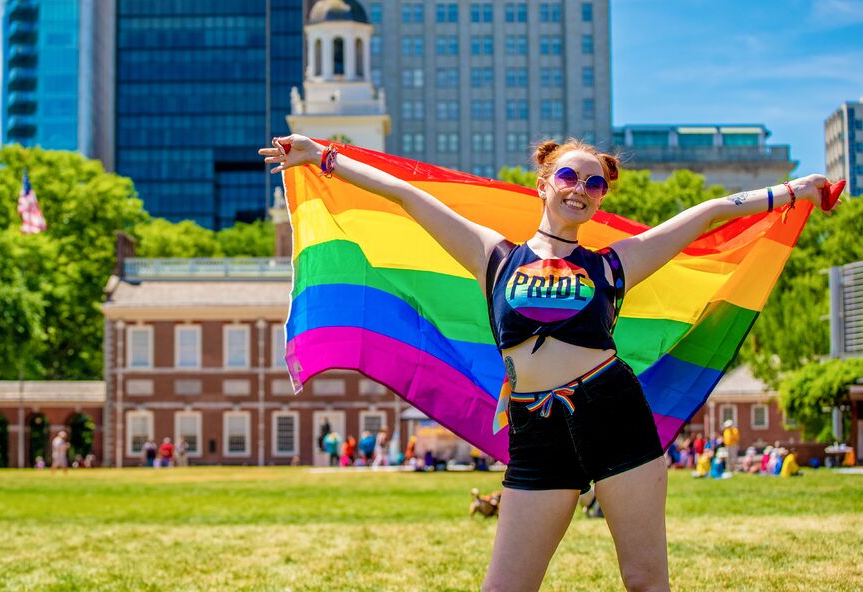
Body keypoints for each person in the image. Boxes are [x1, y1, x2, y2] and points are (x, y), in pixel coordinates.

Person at [261, 134, 837, 591]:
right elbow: (412, 199)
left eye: (594, 183)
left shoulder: (615, 264)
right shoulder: (495, 258)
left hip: (614, 415)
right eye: (568, 175)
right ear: (543, 184)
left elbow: (708, 214)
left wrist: (796, 189)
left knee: (644, 580)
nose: (580, 188)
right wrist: (326, 158)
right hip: (536, 430)